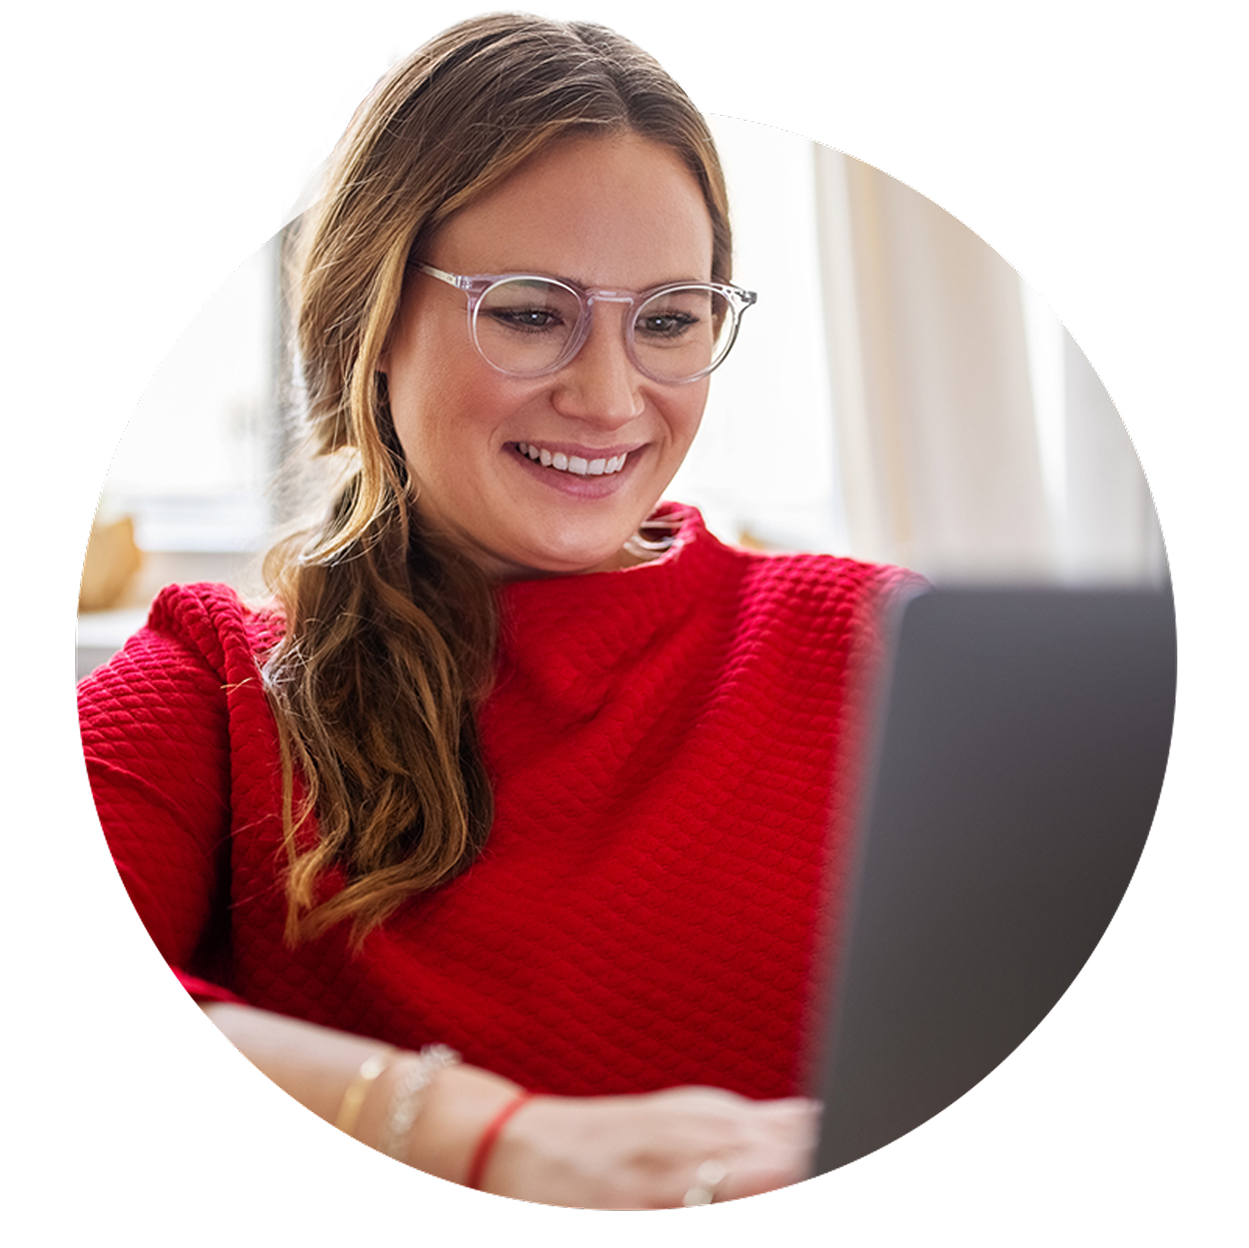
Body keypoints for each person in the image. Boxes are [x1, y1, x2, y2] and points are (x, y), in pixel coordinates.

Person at [78, 7, 917, 1209]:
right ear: (371, 319)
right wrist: (482, 1136)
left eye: (668, 320)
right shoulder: (214, 682)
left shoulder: (886, 647)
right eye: (529, 312)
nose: (609, 396)